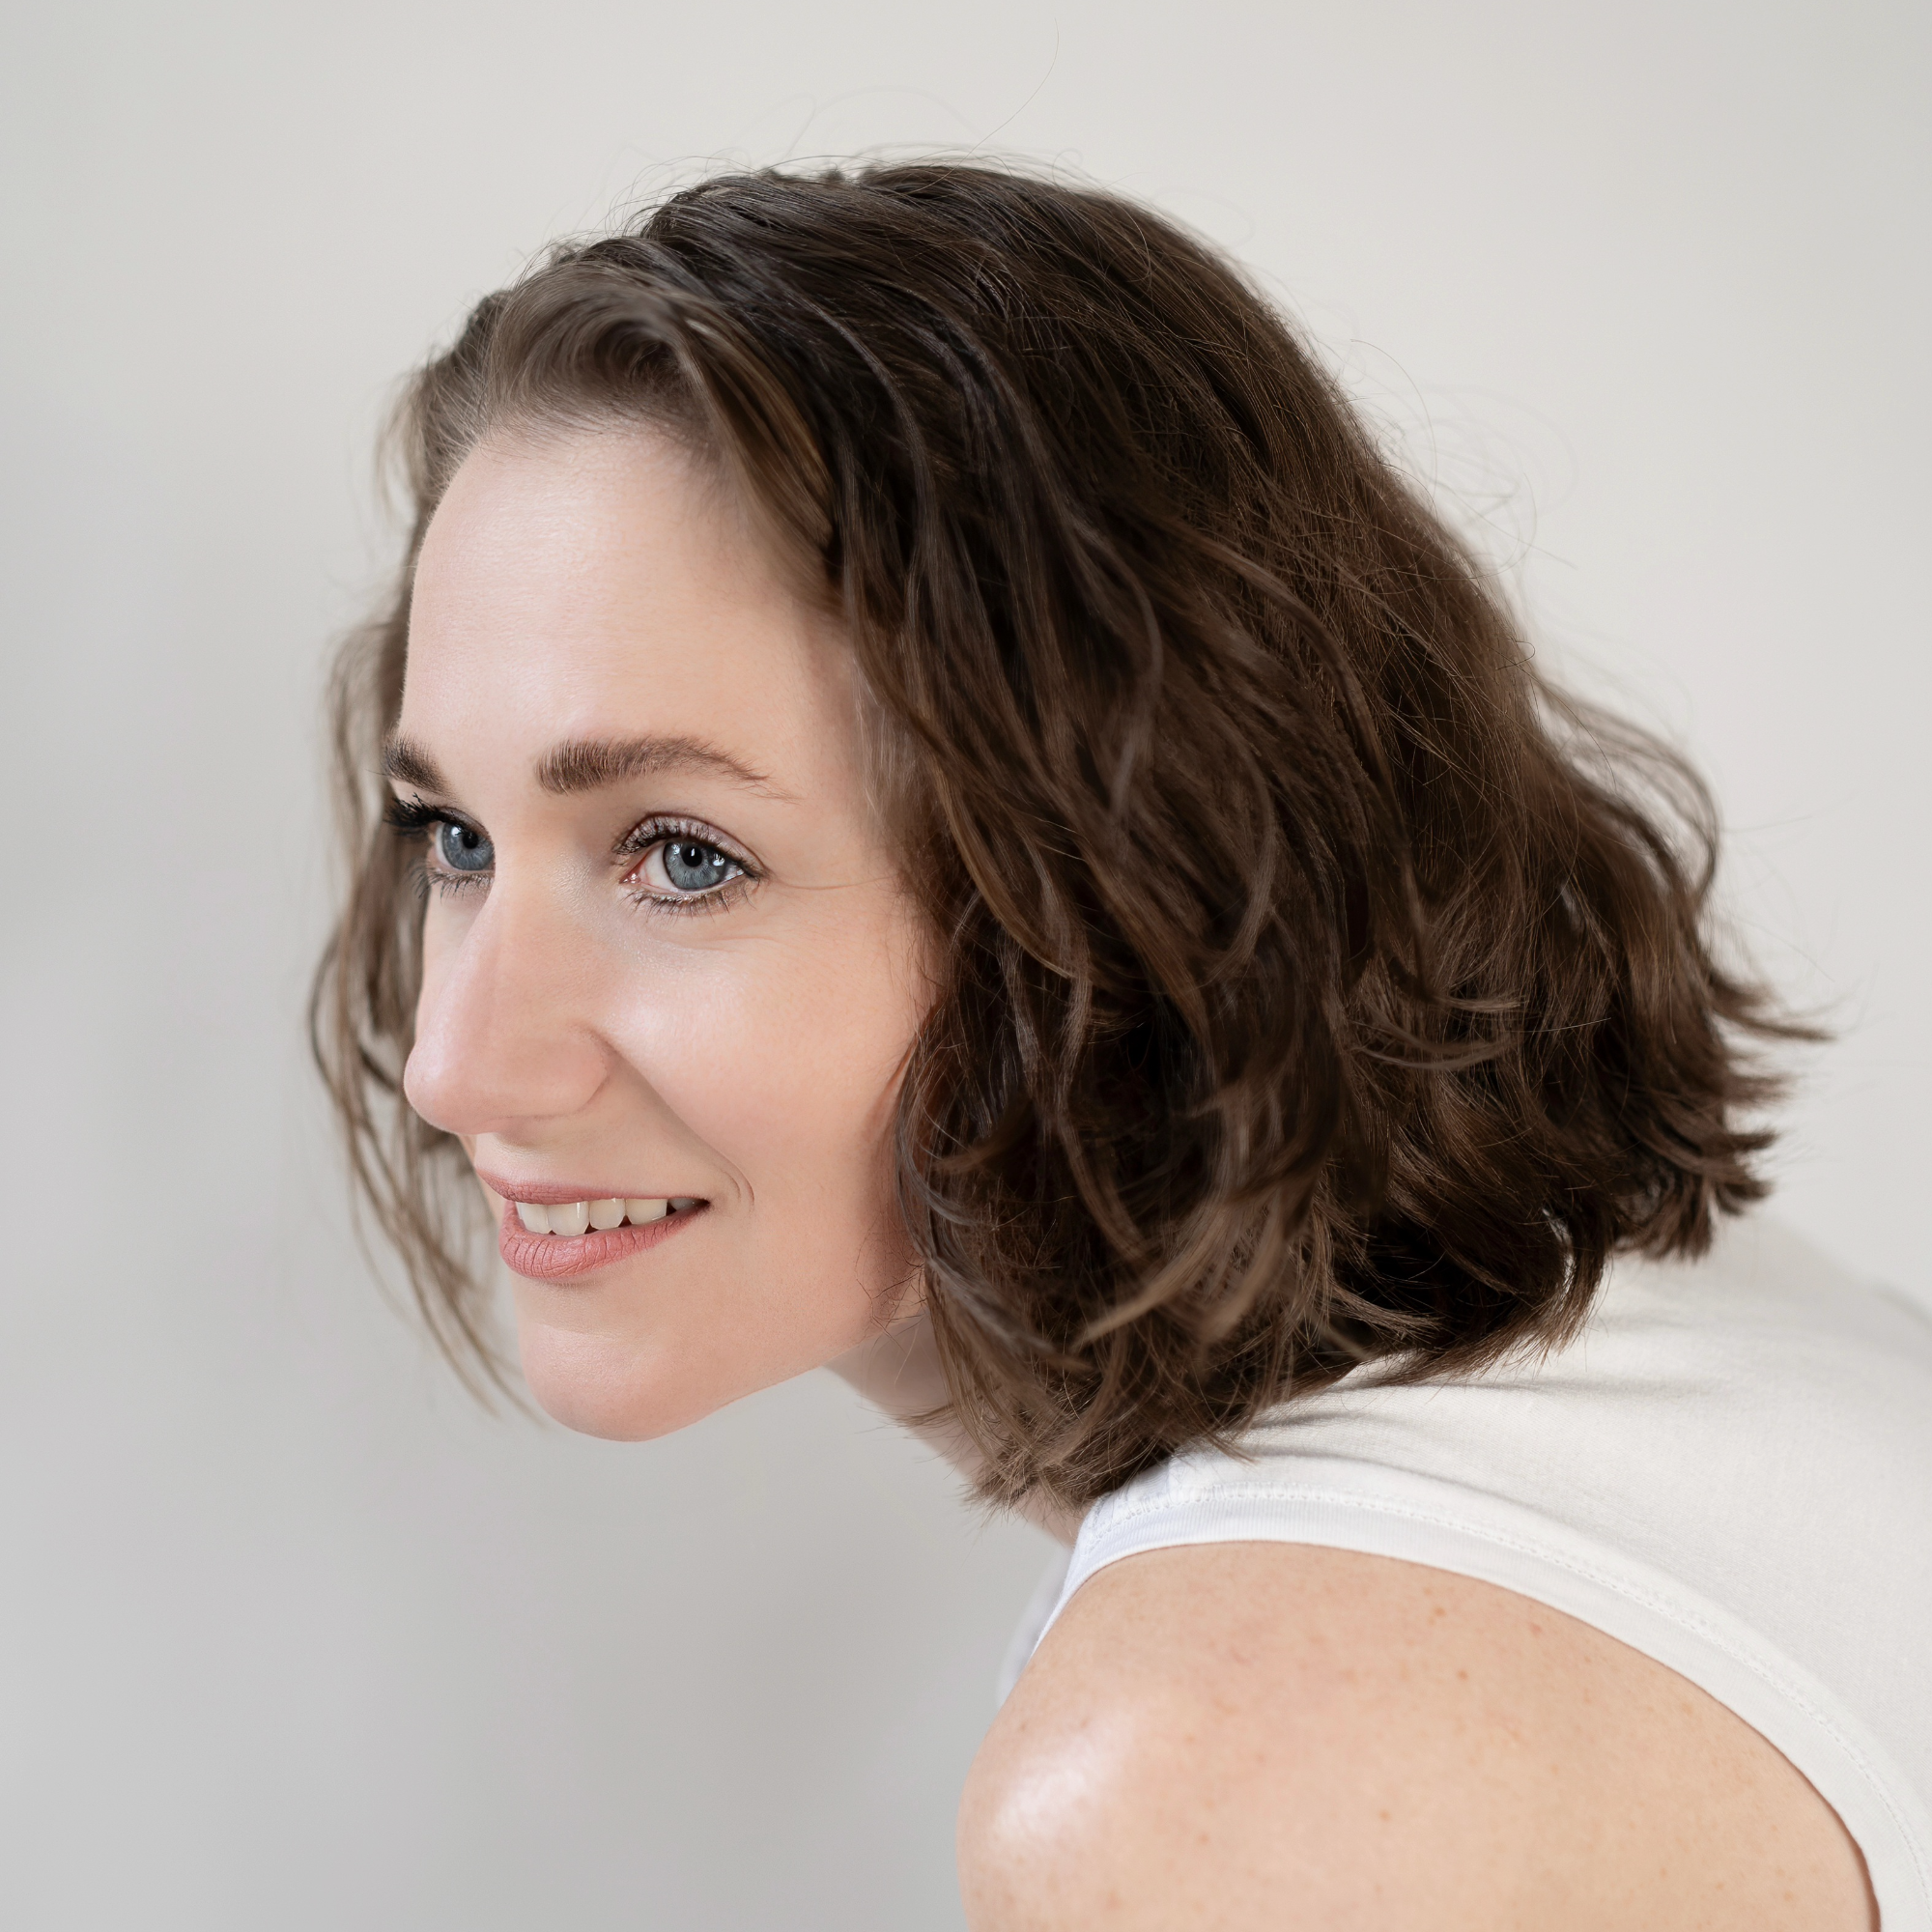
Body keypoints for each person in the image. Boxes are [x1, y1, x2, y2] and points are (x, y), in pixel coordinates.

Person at [312, 160, 1930, 1930]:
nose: (458, 1064)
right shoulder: (1694, 1331)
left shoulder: (1203, 1795)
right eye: (453, 839)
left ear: (1134, 877)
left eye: (684, 857)